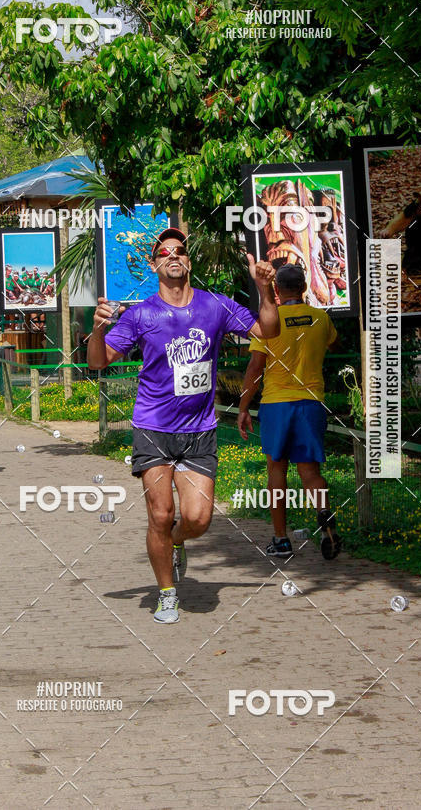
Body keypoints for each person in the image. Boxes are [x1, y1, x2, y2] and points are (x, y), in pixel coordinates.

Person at [88, 227, 279, 624]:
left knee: (198, 519)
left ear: (188, 262)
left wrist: (264, 291)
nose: (173, 255)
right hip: (153, 427)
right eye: (165, 252)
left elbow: (269, 332)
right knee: (160, 514)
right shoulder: (141, 314)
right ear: (155, 264)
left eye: (180, 250)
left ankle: (177, 542)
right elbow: (97, 362)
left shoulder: (215, 306)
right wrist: (97, 329)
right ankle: (167, 593)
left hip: (199, 431)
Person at [237, 264, 340, 560]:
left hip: (276, 404)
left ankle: (281, 540)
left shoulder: (269, 320)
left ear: (278, 291)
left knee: (277, 470)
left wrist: (243, 407)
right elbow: (335, 344)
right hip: (311, 402)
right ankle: (323, 515)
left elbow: (256, 367)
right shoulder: (321, 319)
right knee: (310, 471)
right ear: (305, 287)